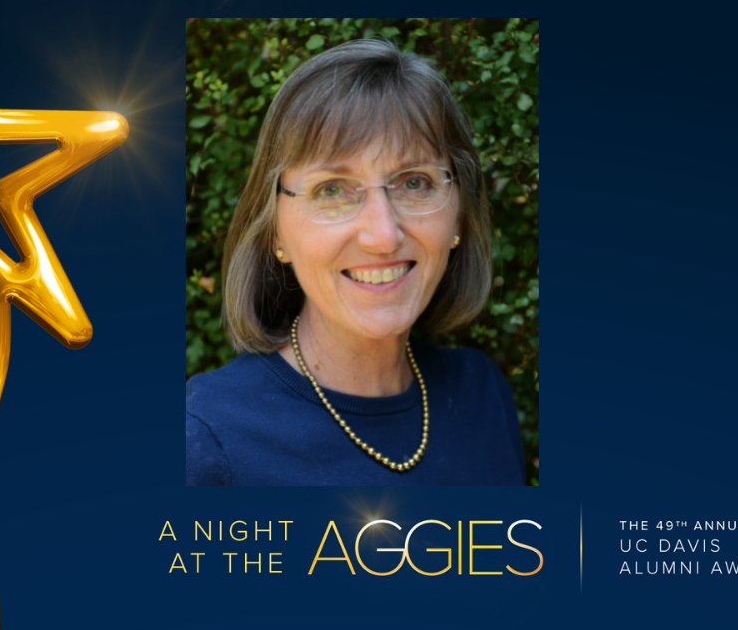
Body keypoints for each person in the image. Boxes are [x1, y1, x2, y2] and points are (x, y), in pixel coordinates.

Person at [186, 38, 525, 486]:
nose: (383, 236)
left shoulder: (482, 394)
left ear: (458, 214)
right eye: (332, 190)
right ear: (274, 232)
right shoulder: (205, 440)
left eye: (415, 183)